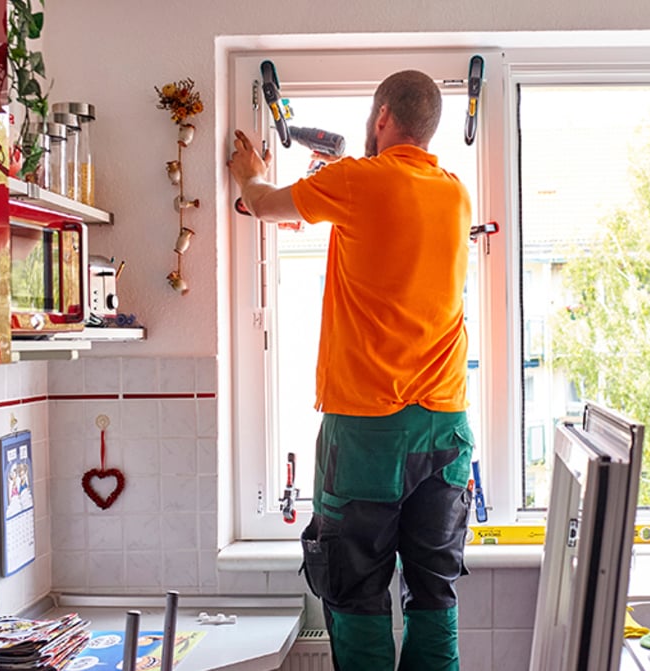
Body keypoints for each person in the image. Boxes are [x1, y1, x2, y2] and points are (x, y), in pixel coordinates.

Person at [227, 70, 474, 671]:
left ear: (382, 116)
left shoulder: (357, 181)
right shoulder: (454, 192)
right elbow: (385, 243)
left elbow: (259, 203)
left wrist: (247, 168)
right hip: (446, 429)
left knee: (357, 594)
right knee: (433, 593)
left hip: (367, 431)